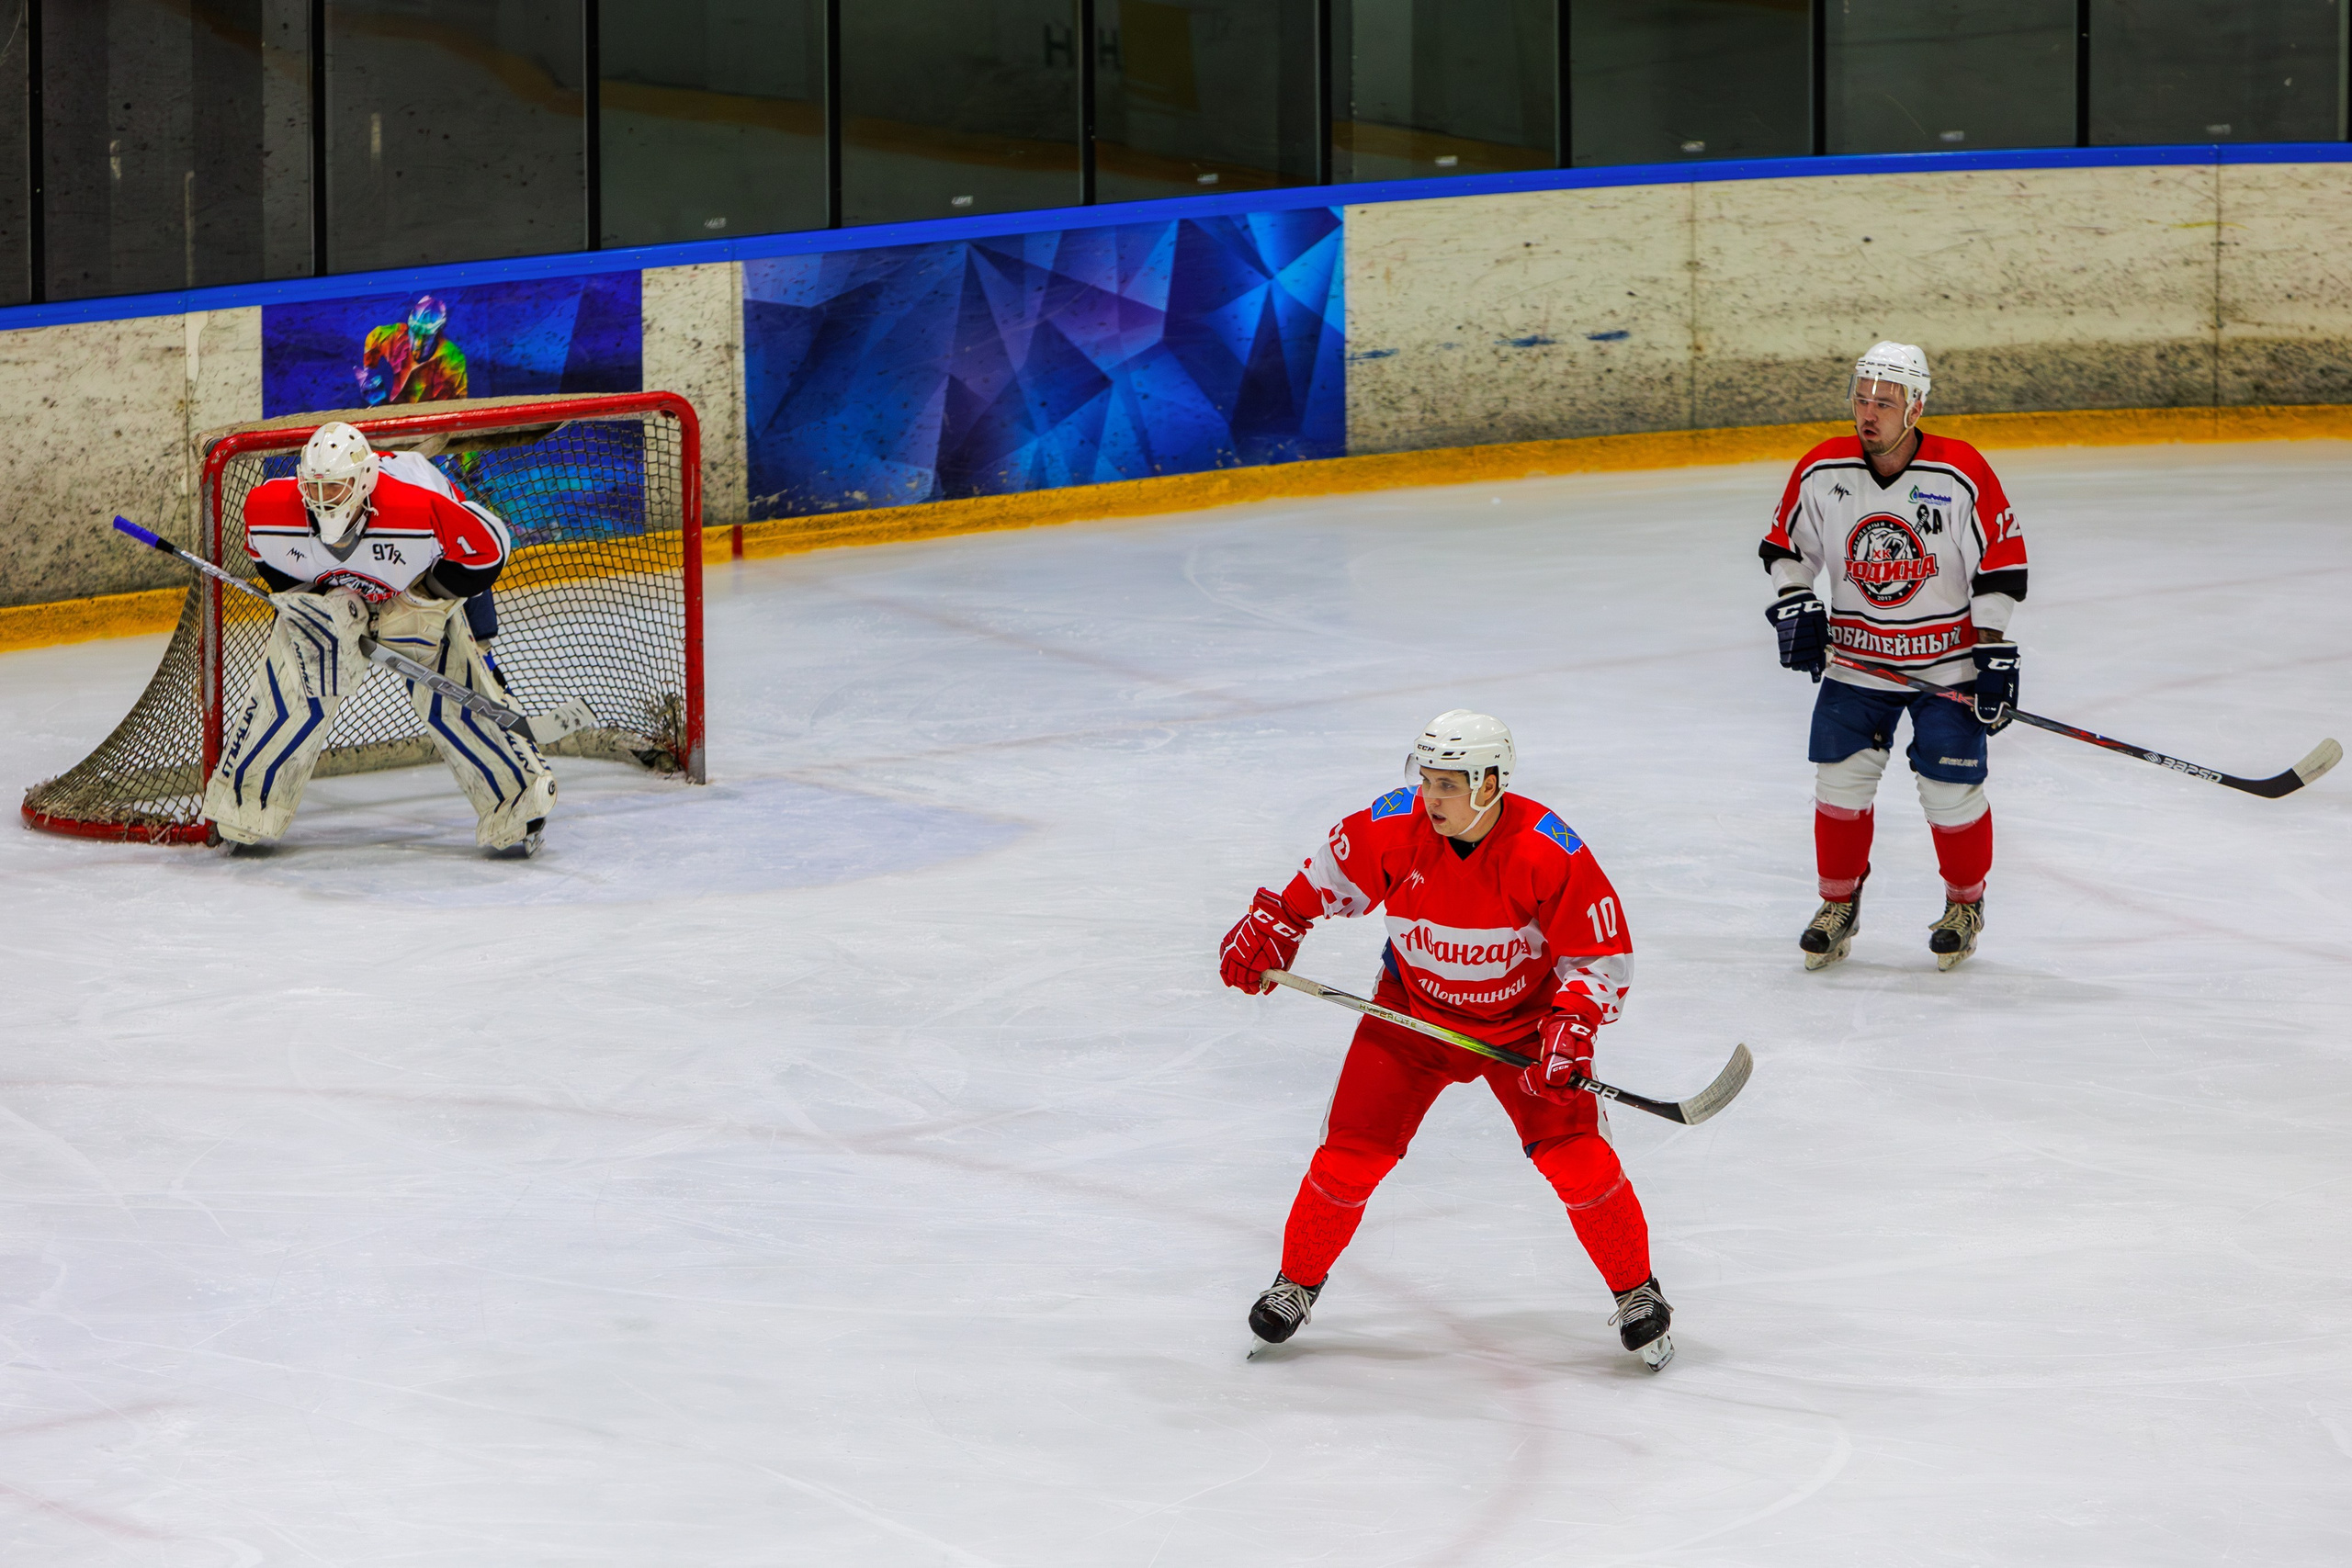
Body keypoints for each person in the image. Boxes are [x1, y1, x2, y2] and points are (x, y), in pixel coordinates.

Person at [1217, 711, 1674, 1370]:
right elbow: (1322, 878)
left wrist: (1572, 1023)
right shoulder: (1392, 827)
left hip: (1523, 1025)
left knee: (1578, 1156)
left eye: (1449, 784)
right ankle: (1294, 1284)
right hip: (1412, 1018)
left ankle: (1638, 1293)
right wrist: (1279, 920)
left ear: (1490, 784)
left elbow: (1600, 956)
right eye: (1426, 778)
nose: (1431, 796)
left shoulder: (1549, 848)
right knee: (1349, 1156)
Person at [1760, 342, 2029, 971]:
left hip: (1948, 666)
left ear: (1917, 405)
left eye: (1885, 400)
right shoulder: (1823, 470)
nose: (1869, 412)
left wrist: (1991, 651)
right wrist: (1796, 600)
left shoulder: (1959, 471)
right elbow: (1786, 548)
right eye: (1861, 397)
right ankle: (1838, 904)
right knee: (1839, 786)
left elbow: (2001, 565)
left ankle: (1964, 904)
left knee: (1951, 792)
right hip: (1858, 664)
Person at [200, 421, 556, 856]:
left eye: (335, 488)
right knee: (300, 667)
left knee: (453, 687)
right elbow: (271, 564)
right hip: (343, 589)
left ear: (364, 480)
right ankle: (245, 806)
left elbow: (488, 553)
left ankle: (520, 802)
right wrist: (318, 602)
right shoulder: (271, 508)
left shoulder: (419, 506)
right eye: (314, 488)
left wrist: (425, 601)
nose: (321, 499)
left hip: (422, 576)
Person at [359, 294, 469, 406]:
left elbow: (457, 405)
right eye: (414, 332)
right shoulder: (393, 336)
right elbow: (374, 337)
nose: (417, 343)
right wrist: (369, 372)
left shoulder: (453, 358)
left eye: (426, 336)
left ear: (438, 333)